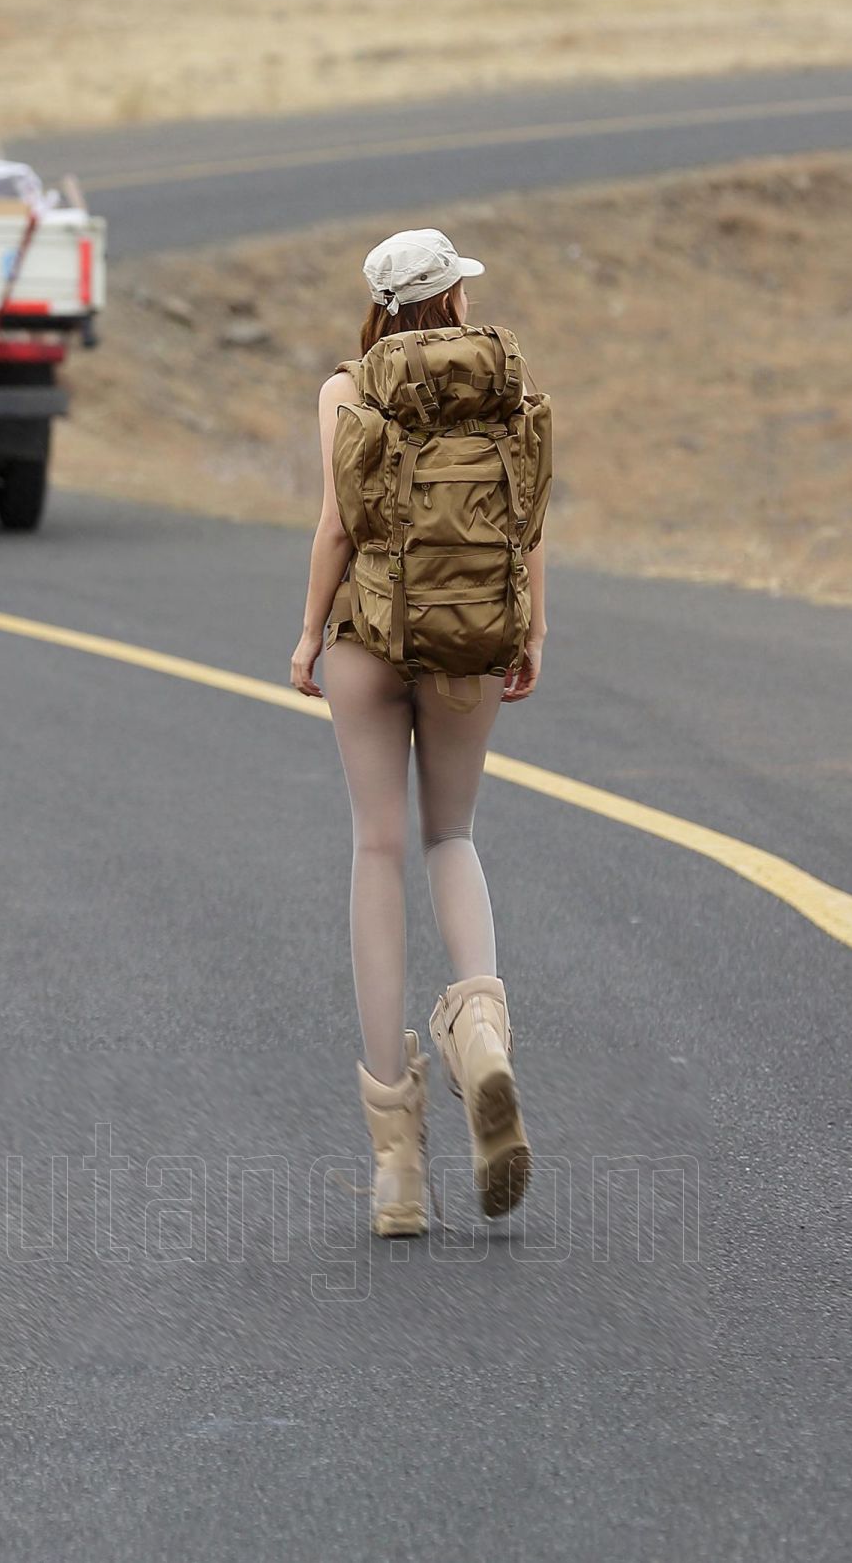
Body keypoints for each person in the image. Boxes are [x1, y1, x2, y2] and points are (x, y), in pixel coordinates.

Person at [288, 229, 543, 1238]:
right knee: (453, 835)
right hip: (471, 637)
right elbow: (527, 524)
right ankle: (481, 1029)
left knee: (378, 846)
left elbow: (337, 526)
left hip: (367, 634)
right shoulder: (506, 384)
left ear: (382, 305)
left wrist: (312, 633)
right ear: (455, 296)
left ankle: (398, 1169)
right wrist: (527, 631)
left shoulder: (345, 389)